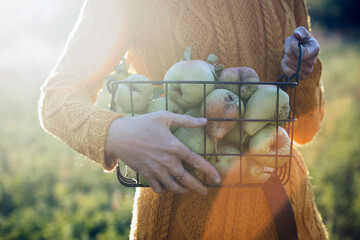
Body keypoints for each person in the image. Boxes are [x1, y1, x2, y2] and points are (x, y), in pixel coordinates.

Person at [38, 0, 328, 239]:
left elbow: (304, 130)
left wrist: (302, 71)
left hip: (289, 218)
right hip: (182, 225)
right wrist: (118, 133)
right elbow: (56, 98)